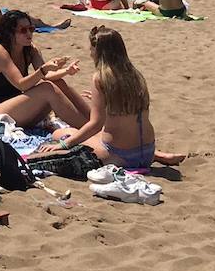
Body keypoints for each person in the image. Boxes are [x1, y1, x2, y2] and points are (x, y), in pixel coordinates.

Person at [46, 27, 186, 168]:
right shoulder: (135, 75)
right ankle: (158, 154)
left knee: (61, 133)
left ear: (98, 51)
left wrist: (65, 144)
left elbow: (95, 124)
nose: (90, 54)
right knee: (104, 133)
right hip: (147, 152)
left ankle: (155, 155)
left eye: (91, 49)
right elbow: (126, 114)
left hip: (120, 155)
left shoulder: (100, 78)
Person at [0, 11, 90, 129]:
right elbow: (21, 85)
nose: (29, 34)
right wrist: (43, 69)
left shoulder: (30, 49)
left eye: (31, 29)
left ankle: (93, 121)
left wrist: (66, 71)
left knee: (58, 83)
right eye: (23, 30)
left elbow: (47, 76)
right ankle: (87, 130)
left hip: (17, 108)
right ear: (10, 33)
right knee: (47, 88)